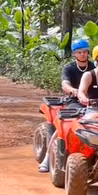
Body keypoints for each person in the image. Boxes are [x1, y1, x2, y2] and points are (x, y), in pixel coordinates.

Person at [38, 38, 94, 173]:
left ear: (88, 53)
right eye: (79, 52)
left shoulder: (94, 67)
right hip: (74, 102)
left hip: (94, 101)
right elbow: (65, 84)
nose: (82, 55)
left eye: (85, 52)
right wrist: (73, 90)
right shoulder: (69, 68)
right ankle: (47, 157)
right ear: (74, 54)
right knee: (63, 125)